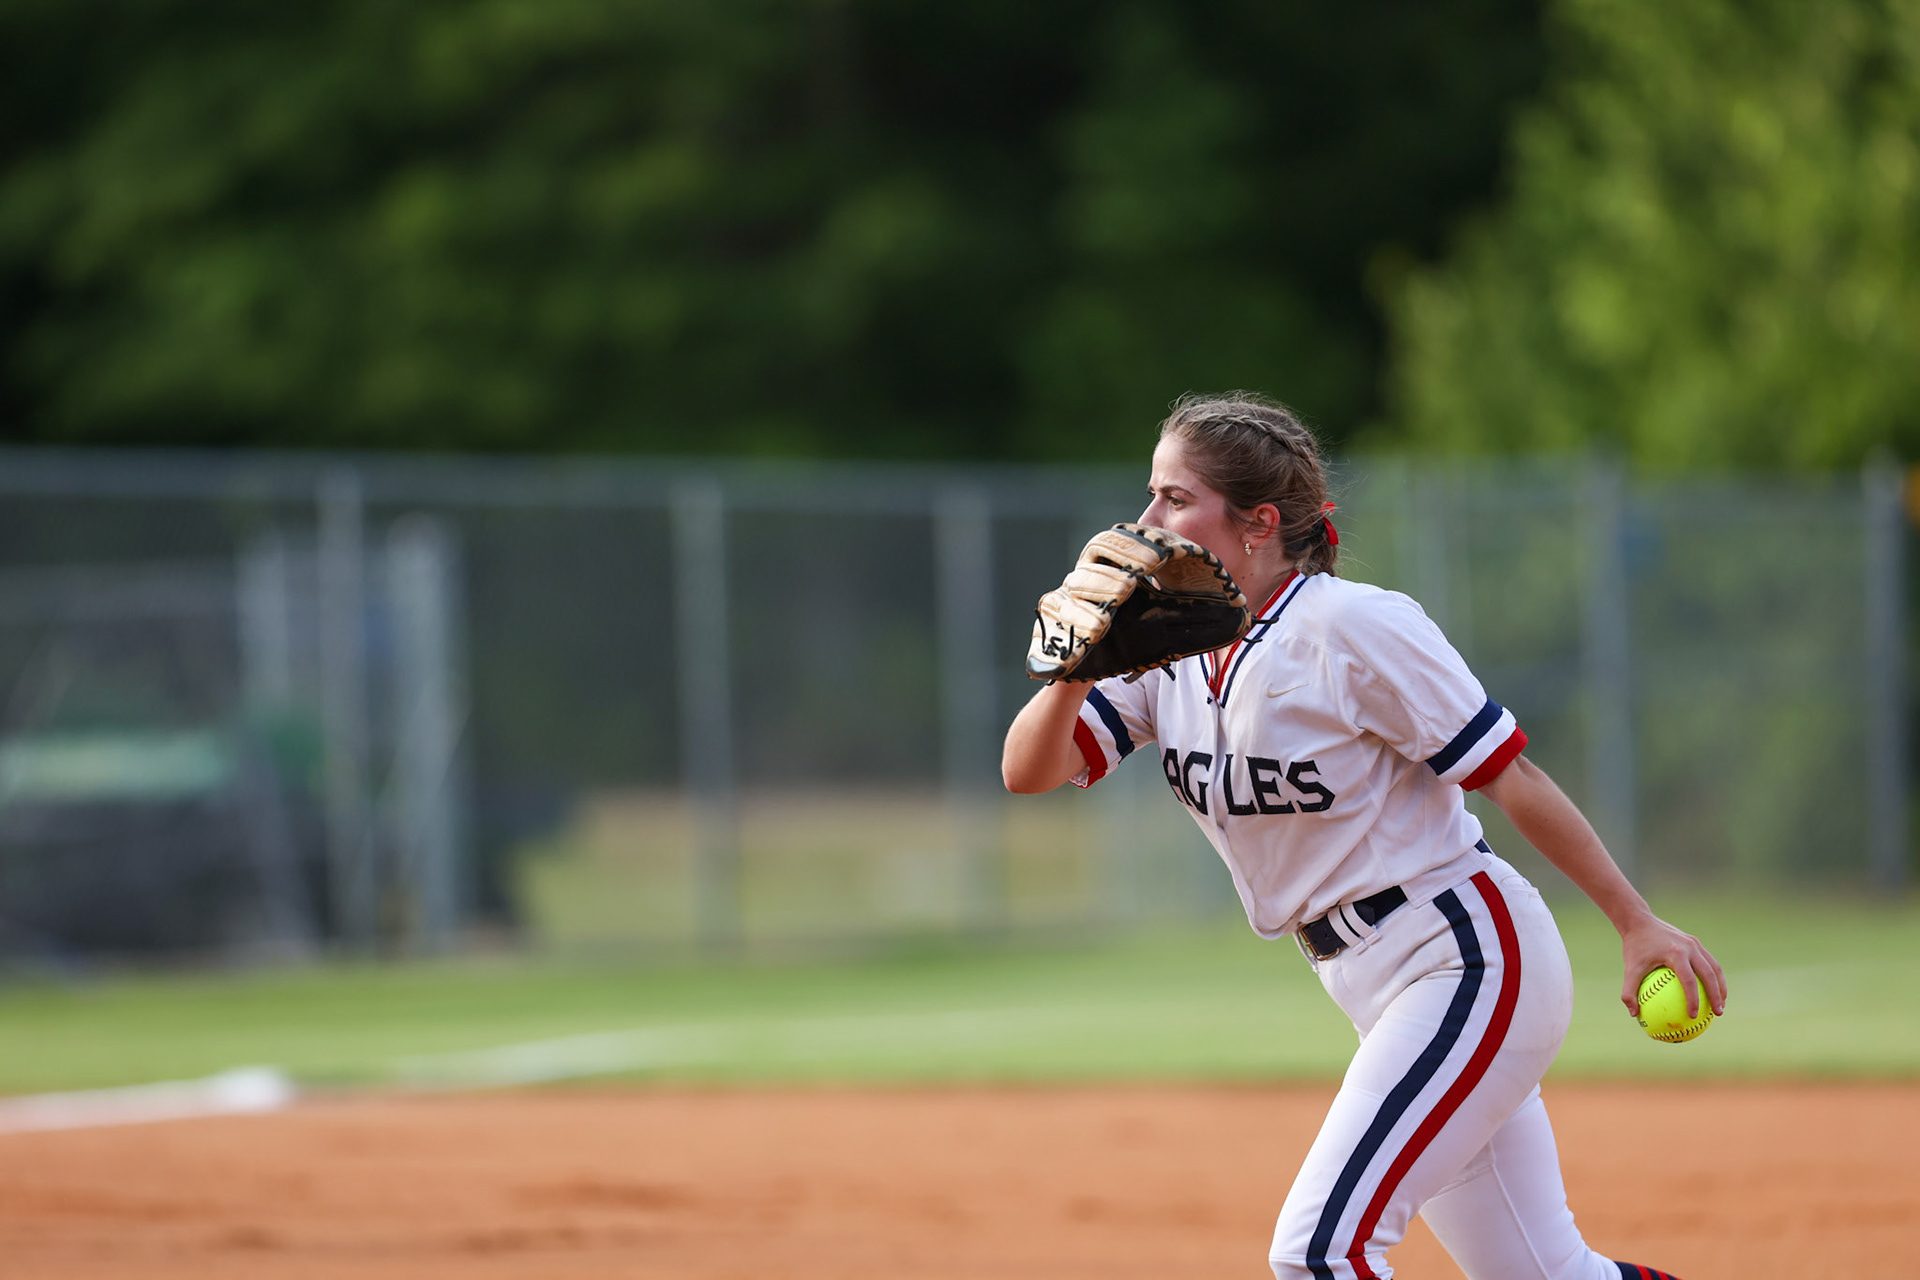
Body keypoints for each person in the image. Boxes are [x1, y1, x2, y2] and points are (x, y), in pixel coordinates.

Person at [1002, 392, 1726, 1280]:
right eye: (1151, 494)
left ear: (1258, 523)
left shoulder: (1351, 626)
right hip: (1368, 983)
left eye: (1175, 498)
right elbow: (1028, 771)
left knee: (1320, 1252)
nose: (1148, 520)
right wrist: (1077, 671)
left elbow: (1511, 777)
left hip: (1465, 955)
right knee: (1542, 1274)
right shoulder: (1167, 652)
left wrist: (1634, 920)